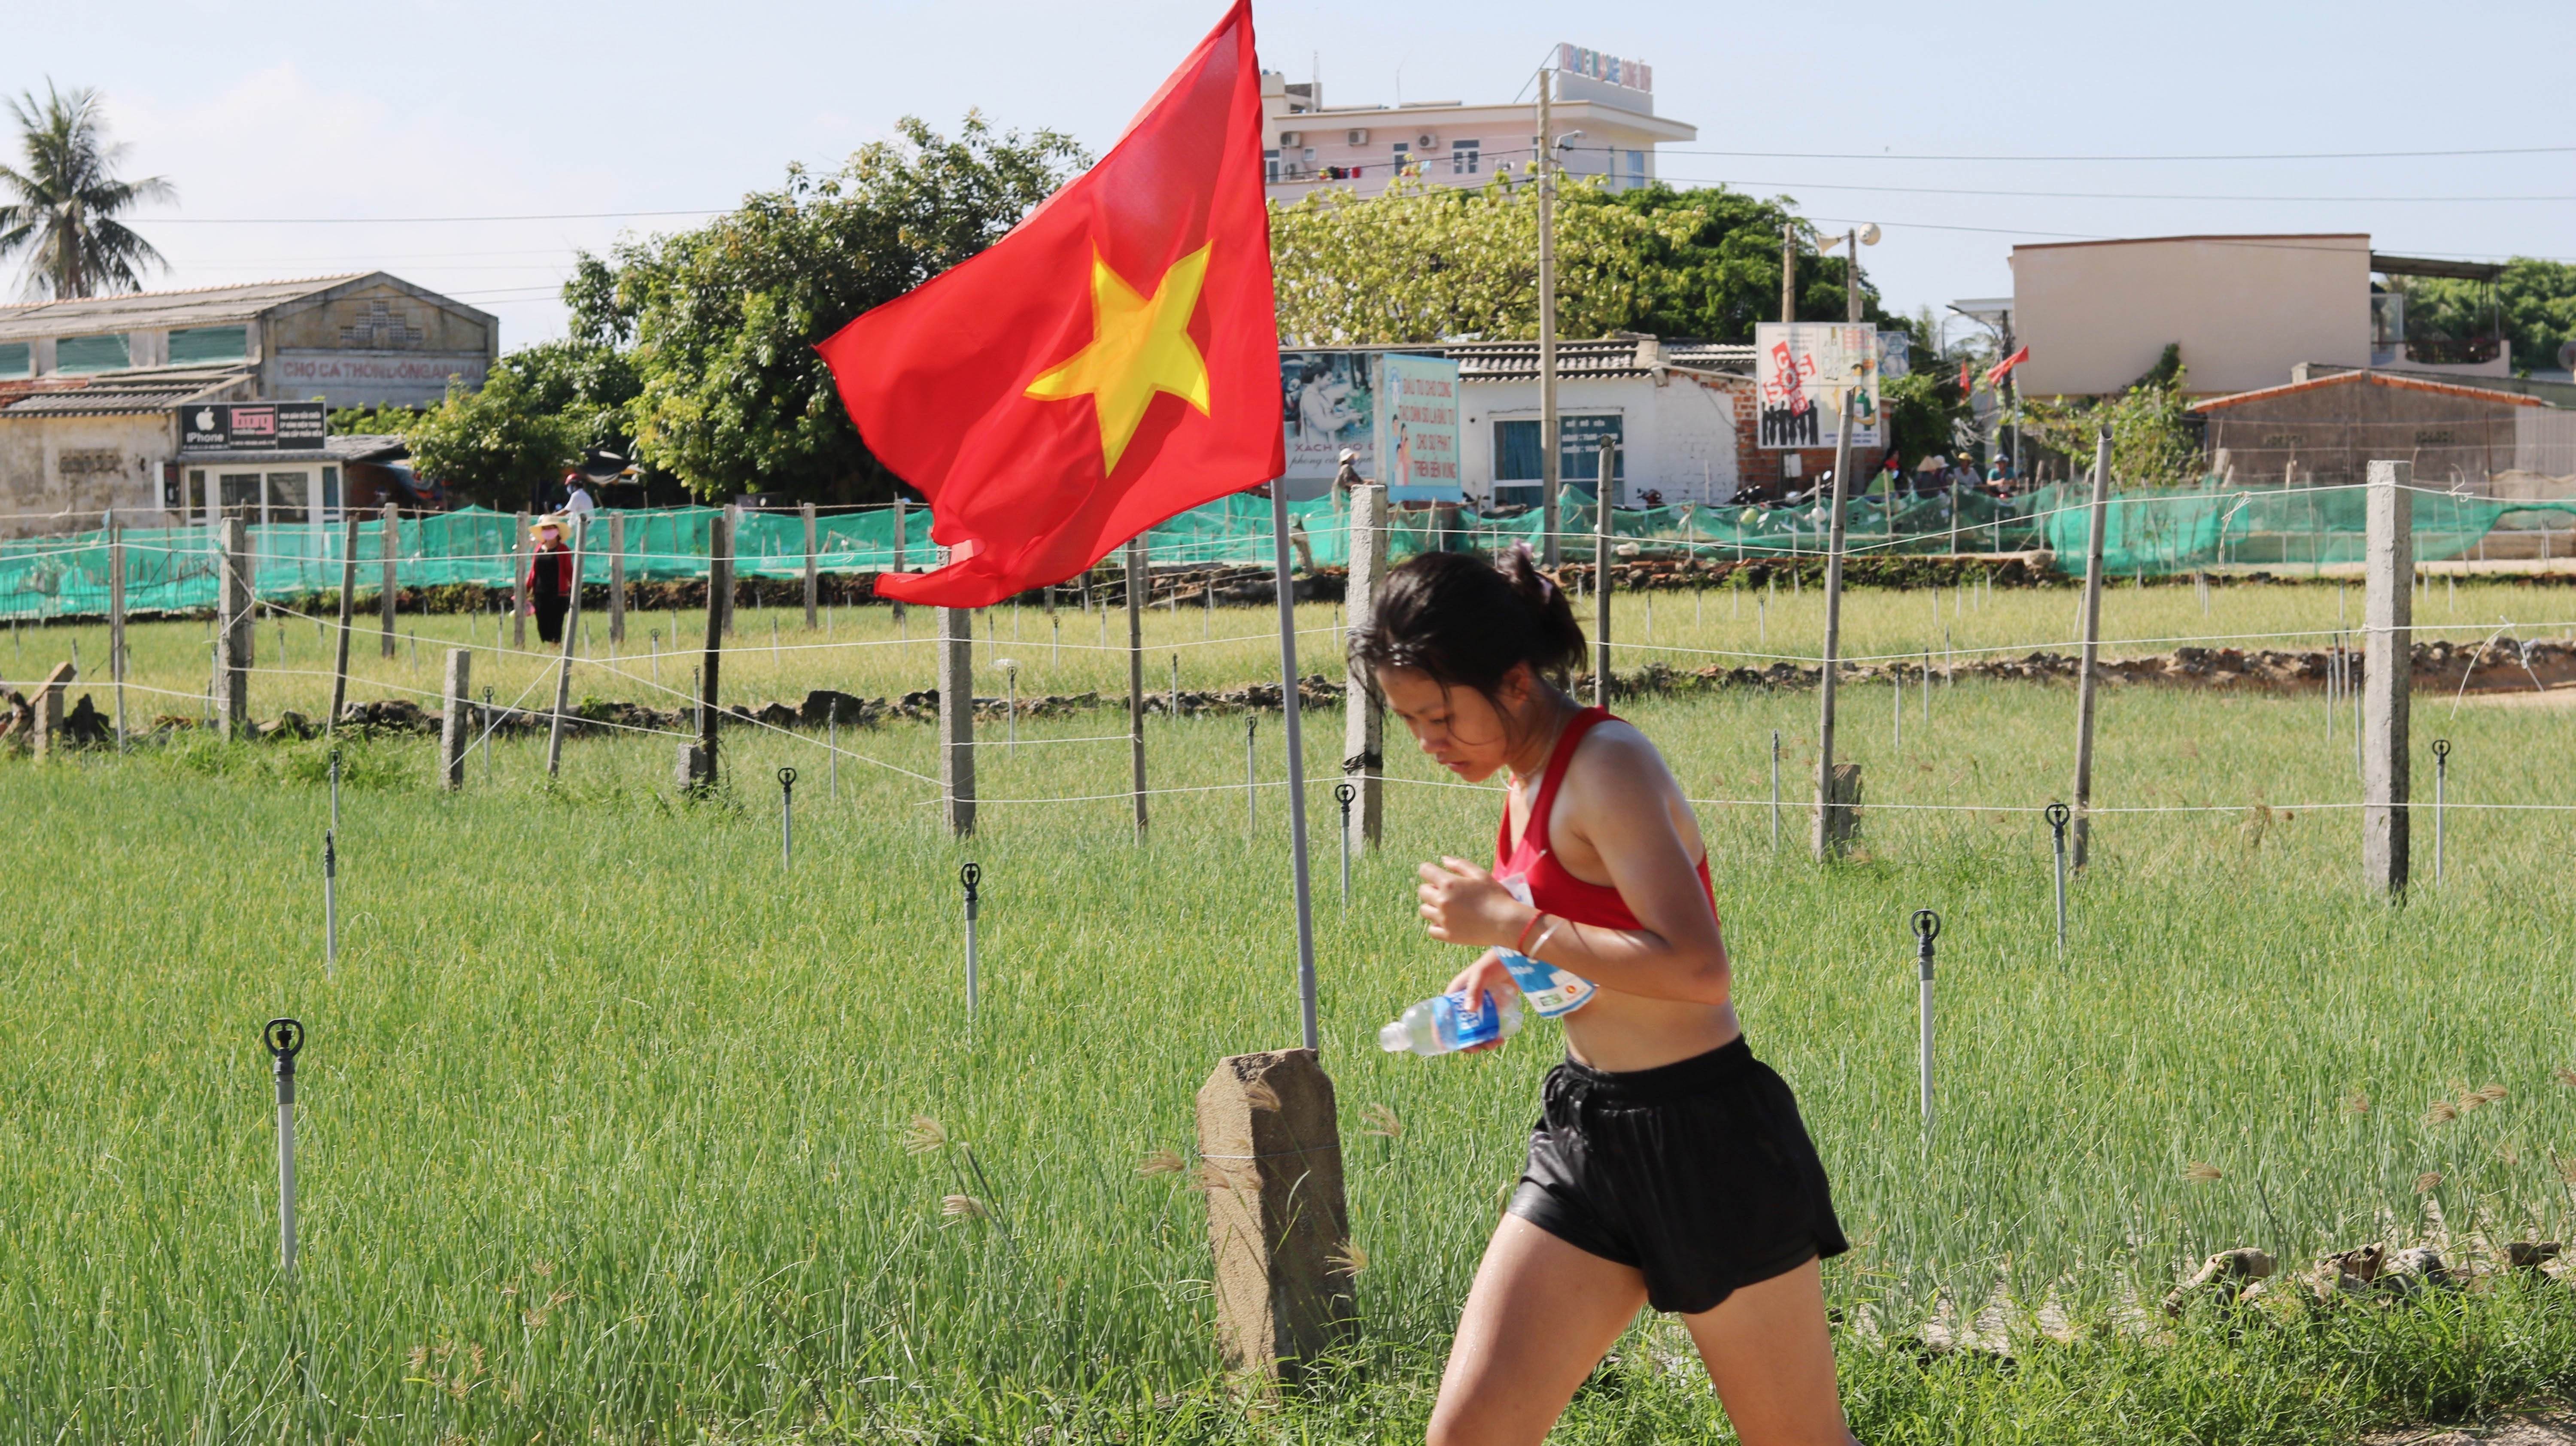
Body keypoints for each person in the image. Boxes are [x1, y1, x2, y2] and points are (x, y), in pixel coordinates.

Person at [1349, 549, 1856, 1446]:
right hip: (1590, 1134)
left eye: (1440, 715)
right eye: (1409, 721)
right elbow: (1589, 925)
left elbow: (1698, 967)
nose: (1429, 741)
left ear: (1512, 682)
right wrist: (1507, 977)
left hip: (1707, 1139)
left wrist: (1518, 930)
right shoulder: (1520, 776)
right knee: (1468, 1438)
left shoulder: (1607, 764)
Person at [526, 514, 575, 645]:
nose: (548, 530)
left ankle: (555, 646)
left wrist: (575, 587)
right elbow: (533, 571)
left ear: (557, 530)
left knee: (556, 623)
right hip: (540, 592)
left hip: (558, 593)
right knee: (542, 622)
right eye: (545, 528)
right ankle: (548, 645)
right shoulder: (538, 549)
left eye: (550, 528)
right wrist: (527, 587)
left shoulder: (563, 549)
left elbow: (569, 570)